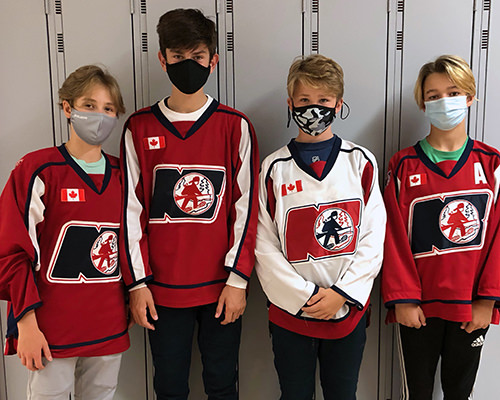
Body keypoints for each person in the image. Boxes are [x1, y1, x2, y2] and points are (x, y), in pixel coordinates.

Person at [120, 8, 259, 400]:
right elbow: (130, 213)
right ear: (162, 59)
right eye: (178, 57)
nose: (188, 65)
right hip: (160, 291)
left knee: (221, 383)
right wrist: (137, 283)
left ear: (213, 60)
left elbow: (246, 210)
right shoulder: (139, 127)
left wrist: (238, 280)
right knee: (168, 385)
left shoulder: (235, 126)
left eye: (197, 56)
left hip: (220, 288)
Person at [255, 54, 386, 400]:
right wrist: (304, 297)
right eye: (304, 101)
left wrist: (341, 295)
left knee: (342, 394)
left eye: (324, 100)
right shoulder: (274, 168)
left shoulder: (360, 162)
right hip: (291, 315)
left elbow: (374, 236)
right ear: (290, 104)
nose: (314, 108)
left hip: (345, 311)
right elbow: (263, 245)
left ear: (338, 104)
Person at [0, 65, 129, 400]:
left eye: (108, 109)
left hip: (108, 323)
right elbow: (12, 251)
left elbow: (134, 246)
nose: (99, 115)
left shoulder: (124, 174)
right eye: (89, 105)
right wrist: (26, 324)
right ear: (68, 107)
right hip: (50, 327)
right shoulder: (38, 169)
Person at [382, 54, 500, 400]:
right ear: (423, 103)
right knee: (417, 391)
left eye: (452, 92)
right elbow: (393, 238)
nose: (443, 101)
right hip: (419, 307)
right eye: (433, 95)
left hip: (470, 305)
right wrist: (402, 299)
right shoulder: (403, 165)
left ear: (470, 96)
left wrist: (487, 299)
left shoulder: (491, 164)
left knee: (459, 391)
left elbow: (497, 237)